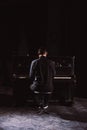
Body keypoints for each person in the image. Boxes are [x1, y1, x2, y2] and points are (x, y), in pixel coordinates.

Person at [29, 47, 56, 114]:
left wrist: (35, 81)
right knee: (48, 89)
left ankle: (39, 105)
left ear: (38, 54)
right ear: (46, 54)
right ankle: (45, 106)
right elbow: (54, 75)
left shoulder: (34, 62)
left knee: (31, 87)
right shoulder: (52, 62)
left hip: (38, 86)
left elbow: (31, 76)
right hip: (49, 87)